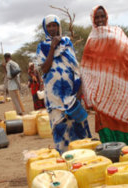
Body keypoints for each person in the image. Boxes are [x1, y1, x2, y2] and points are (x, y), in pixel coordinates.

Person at [81, 6, 128, 146]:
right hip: (103, 94)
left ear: (107, 18)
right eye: (97, 17)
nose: (100, 20)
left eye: (103, 17)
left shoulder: (117, 32)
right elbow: (87, 70)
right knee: (109, 127)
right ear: (93, 20)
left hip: (124, 88)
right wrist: (90, 95)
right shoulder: (91, 40)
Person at [36, 14, 91, 154]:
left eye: (54, 25)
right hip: (54, 97)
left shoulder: (67, 42)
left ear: (59, 26)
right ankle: (65, 159)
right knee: (60, 127)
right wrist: (53, 47)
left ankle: (84, 158)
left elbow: (75, 67)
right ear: (45, 28)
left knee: (78, 126)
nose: (52, 28)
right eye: (49, 26)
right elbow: (44, 69)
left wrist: (79, 92)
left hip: (71, 93)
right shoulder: (42, 47)